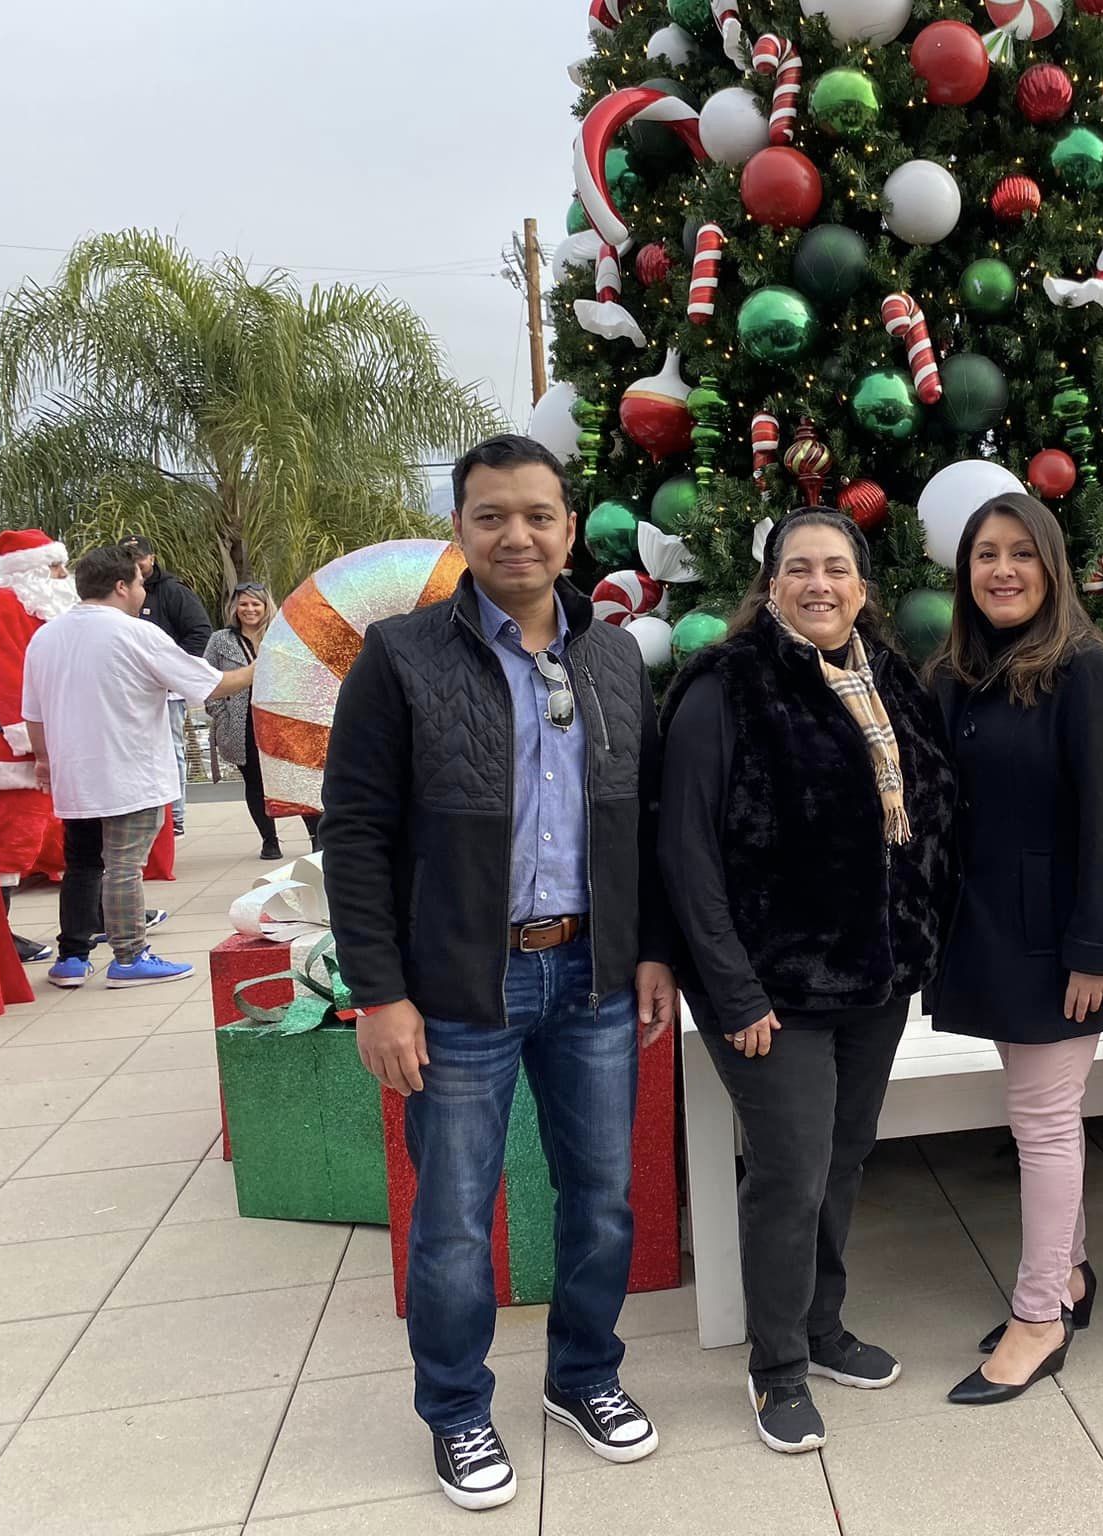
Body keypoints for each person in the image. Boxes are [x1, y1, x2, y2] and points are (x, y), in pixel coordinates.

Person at [321, 434, 679, 1510]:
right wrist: (379, 993)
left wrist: (650, 946)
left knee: (603, 1200)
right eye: (490, 516)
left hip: (594, 979)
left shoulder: (614, 655)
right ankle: (457, 1409)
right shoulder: (402, 657)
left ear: (570, 527)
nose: (515, 535)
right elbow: (356, 832)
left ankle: (583, 1376)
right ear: (461, 530)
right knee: (453, 1216)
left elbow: (644, 820)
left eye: (536, 514)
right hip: (457, 989)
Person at [659, 508, 956, 1454]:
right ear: (771, 584)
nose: (818, 583)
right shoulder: (726, 685)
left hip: (875, 977)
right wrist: (734, 990)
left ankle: (822, 1327)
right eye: (798, 568)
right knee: (788, 1173)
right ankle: (777, 1364)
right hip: (773, 989)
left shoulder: (891, 680)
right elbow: (687, 850)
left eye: (836, 567)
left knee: (843, 1158)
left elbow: (934, 811)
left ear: (863, 586)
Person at [930, 493, 1103, 1406]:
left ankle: (1038, 1318)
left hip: (1064, 945)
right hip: (989, 932)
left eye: (1023, 552)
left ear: (1054, 567)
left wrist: (1097, 948)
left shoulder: (1087, 670)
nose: (1003, 570)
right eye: (986, 554)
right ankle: (1071, 1274)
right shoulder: (957, 674)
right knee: (1041, 1117)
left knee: (1044, 1124)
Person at [22, 545, 247, 990]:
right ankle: (129, 955)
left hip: (74, 771)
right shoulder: (136, 633)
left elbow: (33, 712)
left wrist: (45, 760)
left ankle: (72, 957)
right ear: (121, 586)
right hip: (129, 770)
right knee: (124, 865)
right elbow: (209, 684)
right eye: (140, 582)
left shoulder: (46, 636)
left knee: (82, 863)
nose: (145, 590)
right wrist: (260, 668)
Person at [0, 529, 78, 963]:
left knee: (21, 841)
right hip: (4, 749)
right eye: (55, 566)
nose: (63, 574)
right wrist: (31, 742)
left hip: (21, 742)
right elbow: (6, 675)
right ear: (28, 571)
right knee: (7, 842)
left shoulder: (31, 606)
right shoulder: (0, 605)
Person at [206, 581, 320, 860]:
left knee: (296, 779)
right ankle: (270, 841)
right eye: (243, 603)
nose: (249, 609)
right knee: (255, 783)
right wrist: (221, 715)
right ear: (234, 608)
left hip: (283, 721)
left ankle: (317, 838)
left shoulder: (284, 633)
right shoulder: (221, 640)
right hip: (240, 723)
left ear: (266, 605)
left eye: (255, 603)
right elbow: (207, 681)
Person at [120, 534, 212, 836]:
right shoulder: (114, 593)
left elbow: (199, 631)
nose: (136, 564)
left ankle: (176, 818)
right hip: (126, 691)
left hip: (167, 694)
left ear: (152, 558)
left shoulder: (173, 591)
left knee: (173, 751)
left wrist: (173, 670)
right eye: (129, 558)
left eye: (140, 558)